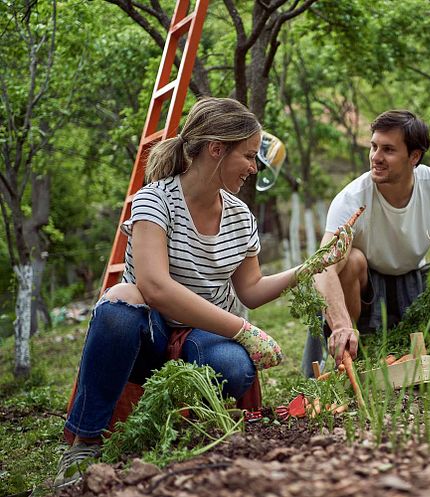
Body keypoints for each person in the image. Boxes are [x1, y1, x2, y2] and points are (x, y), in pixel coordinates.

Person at [55, 97, 349, 487]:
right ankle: (84, 443)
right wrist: (244, 330)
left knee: (234, 369)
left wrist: (311, 266)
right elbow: (155, 287)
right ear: (216, 150)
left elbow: (252, 290)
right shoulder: (154, 201)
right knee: (117, 307)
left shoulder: (240, 216)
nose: (252, 166)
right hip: (148, 332)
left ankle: (178, 429)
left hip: (201, 336)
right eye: (246, 155)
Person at [302, 109, 430, 374]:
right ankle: (354, 354)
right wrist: (339, 325)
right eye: (373, 147)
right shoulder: (352, 198)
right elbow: (322, 266)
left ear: (414, 156)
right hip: (367, 290)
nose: (376, 157)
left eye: (388, 149)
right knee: (350, 261)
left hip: (416, 280)